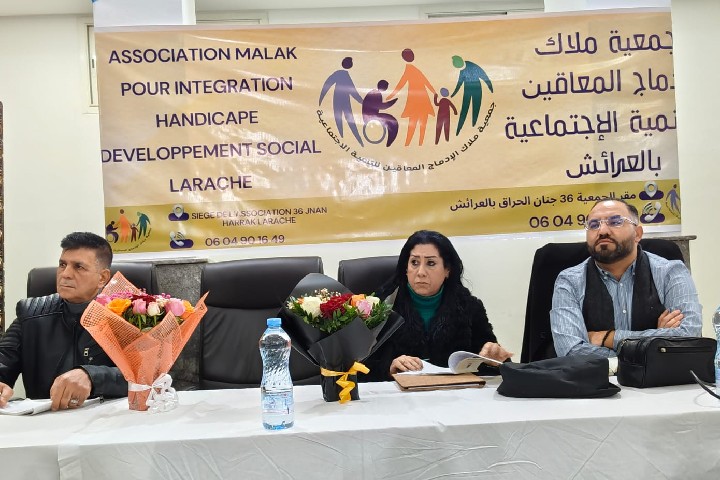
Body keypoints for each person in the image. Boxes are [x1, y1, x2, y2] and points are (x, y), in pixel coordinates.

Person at [550, 198, 702, 358]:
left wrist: (608, 338)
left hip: (660, 376)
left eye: (615, 222)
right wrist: (657, 340)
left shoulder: (670, 272)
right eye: (594, 225)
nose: (602, 231)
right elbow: (571, 352)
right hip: (599, 377)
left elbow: (689, 337)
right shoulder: (569, 281)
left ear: (637, 234)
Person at [0, 232, 127, 410]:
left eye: (78, 267)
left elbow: (150, 377)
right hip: (46, 421)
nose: (65, 274)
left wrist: (93, 376)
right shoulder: (30, 314)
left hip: (107, 420)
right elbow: (3, 361)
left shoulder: (125, 315)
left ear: (102, 278)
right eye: (62, 265)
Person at [364, 230, 512, 381]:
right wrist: (389, 368)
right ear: (406, 268)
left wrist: (494, 359)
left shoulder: (468, 306)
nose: (421, 272)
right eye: (414, 262)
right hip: (397, 391)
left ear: (447, 270)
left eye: (431, 263)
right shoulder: (381, 305)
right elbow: (357, 367)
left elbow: (492, 365)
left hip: (454, 392)